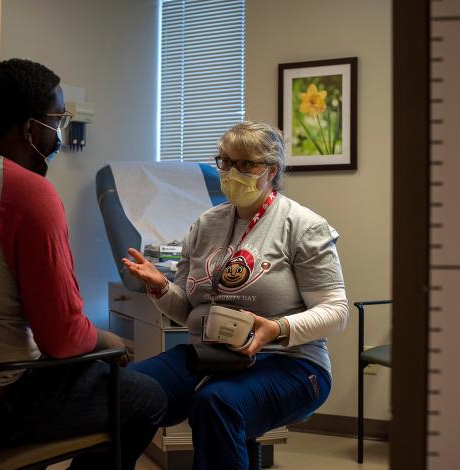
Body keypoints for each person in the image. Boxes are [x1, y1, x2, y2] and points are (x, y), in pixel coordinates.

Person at [0, 58, 166, 470]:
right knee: (147, 397)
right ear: (29, 129)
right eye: (56, 120)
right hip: (6, 390)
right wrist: (109, 341)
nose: (58, 133)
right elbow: (62, 337)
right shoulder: (29, 193)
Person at [123, 121, 349, 470]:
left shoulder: (303, 226)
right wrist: (161, 287)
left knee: (216, 403)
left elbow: (335, 311)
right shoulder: (205, 225)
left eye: (246, 164)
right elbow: (188, 310)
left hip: (291, 362)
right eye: (225, 162)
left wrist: (276, 328)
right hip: (210, 354)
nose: (231, 172)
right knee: (130, 390)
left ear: (271, 170)